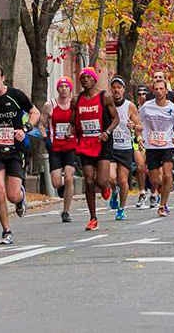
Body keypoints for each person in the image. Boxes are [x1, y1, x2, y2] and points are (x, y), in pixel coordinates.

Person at [0, 64, 40, 244]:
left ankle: (20, 198)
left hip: (15, 149)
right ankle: (6, 230)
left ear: (3, 78)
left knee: (11, 196)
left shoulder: (15, 95)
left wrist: (25, 128)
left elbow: (34, 112)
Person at [73, 67, 119, 231]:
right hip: (85, 144)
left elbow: (116, 119)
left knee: (101, 181)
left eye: (88, 77)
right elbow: (74, 121)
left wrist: (107, 132)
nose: (85, 79)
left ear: (94, 79)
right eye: (82, 77)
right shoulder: (76, 100)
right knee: (89, 180)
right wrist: (73, 133)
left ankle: (106, 187)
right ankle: (93, 217)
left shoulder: (104, 96)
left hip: (102, 142)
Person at [139, 79, 174, 217]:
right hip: (151, 146)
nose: (159, 91)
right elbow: (139, 122)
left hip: (168, 145)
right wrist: (139, 136)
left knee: (167, 174)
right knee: (155, 180)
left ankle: (163, 205)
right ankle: (161, 192)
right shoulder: (147, 107)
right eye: (156, 89)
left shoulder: (172, 108)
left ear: (166, 91)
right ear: (153, 91)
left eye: (161, 89)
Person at [39, 76, 77, 223]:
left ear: (70, 89)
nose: (63, 89)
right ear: (57, 89)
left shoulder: (74, 105)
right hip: (55, 147)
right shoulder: (50, 105)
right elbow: (41, 124)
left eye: (66, 86)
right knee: (56, 183)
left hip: (70, 146)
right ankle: (64, 189)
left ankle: (66, 211)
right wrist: (45, 138)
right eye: (61, 86)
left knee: (68, 177)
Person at [109, 76, 142, 220]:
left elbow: (140, 126)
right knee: (110, 177)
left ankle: (121, 209)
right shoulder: (107, 104)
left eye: (119, 87)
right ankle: (113, 190)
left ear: (123, 90)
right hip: (110, 146)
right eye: (114, 87)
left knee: (123, 180)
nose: (116, 90)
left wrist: (133, 127)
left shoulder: (130, 106)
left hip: (124, 147)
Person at [134, 85, 149, 209]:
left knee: (154, 172)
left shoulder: (152, 108)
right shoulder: (133, 108)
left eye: (144, 94)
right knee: (140, 167)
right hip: (137, 140)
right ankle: (142, 192)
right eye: (139, 94)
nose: (141, 96)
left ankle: (155, 192)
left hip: (152, 141)